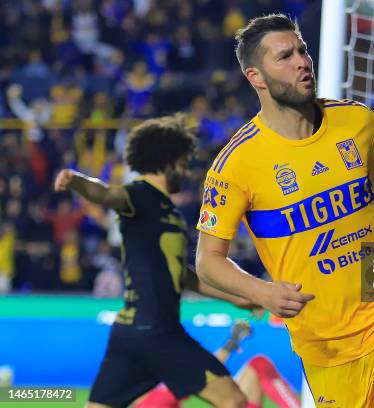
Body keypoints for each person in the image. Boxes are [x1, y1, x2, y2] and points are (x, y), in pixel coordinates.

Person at [195, 14, 374, 408]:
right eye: (285, 56)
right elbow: (208, 262)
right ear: (256, 77)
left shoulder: (356, 121)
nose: (302, 61)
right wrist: (262, 292)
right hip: (326, 343)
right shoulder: (236, 165)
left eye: (302, 50)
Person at [54, 115, 248, 408]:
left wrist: (237, 298)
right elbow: (107, 194)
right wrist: (77, 182)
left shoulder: (167, 208)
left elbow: (181, 276)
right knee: (232, 401)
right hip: (158, 333)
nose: (185, 170)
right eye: (183, 162)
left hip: (132, 334)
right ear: (167, 160)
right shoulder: (139, 195)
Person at [135, 320, 300, 408]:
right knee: (259, 364)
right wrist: (232, 342)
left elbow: (201, 371)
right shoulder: (159, 393)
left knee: (258, 365)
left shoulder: (158, 390)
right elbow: (201, 371)